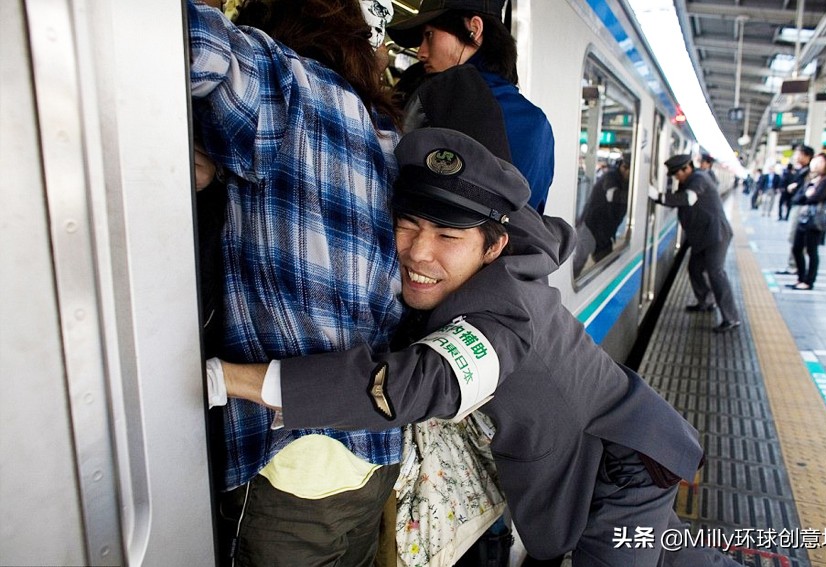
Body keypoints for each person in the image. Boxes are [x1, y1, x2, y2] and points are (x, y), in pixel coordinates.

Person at [208, 127, 742, 567]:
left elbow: (418, 385)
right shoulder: (506, 251)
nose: (419, 253)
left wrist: (230, 379)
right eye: (406, 224)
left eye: (448, 237)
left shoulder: (502, 316)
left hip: (619, 465)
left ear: (493, 246)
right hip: (611, 447)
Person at [187, 1, 405, 564]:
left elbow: (171, 37)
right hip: (374, 453)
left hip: (290, 463)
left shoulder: (281, 86)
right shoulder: (383, 134)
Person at [387, 0, 555, 213]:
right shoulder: (537, 123)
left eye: (429, 35)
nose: (421, 52)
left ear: (473, 29)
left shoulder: (436, 106)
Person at [649, 154, 740, 333]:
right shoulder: (688, 180)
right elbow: (677, 199)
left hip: (716, 235)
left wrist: (657, 195)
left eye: (677, 174)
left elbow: (687, 199)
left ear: (687, 168)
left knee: (716, 273)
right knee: (695, 269)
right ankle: (706, 302)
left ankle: (731, 318)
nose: (676, 177)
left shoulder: (699, 178)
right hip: (702, 236)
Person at [574, 153, 630, 275]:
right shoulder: (611, 176)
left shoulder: (627, 182)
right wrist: (634, 196)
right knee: (578, 262)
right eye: (627, 169)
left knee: (608, 264)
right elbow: (611, 195)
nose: (629, 173)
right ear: (623, 166)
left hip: (605, 232)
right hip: (590, 227)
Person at [787, 153, 826, 290]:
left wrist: (808, 196)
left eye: (820, 162)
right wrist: (807, 195)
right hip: (803, 219)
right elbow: (798, 198)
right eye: (815, 161)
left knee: (812, 251)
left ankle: (809, 281)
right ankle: (801, 278)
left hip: (816, 221)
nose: (816, 164)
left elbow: (816, 197)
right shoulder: (811, 179)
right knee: (797, 248)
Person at [775, 145, 815, 275]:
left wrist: (794, 187)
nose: (795, 157)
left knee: (796, 238)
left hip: (801, 207)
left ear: (806, 156)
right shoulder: (801, 171)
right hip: (797, 206)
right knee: (793, 238)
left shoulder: (808, 172)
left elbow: (807, 191)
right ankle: (793, 265)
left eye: (798, 154)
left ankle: (794, 266)